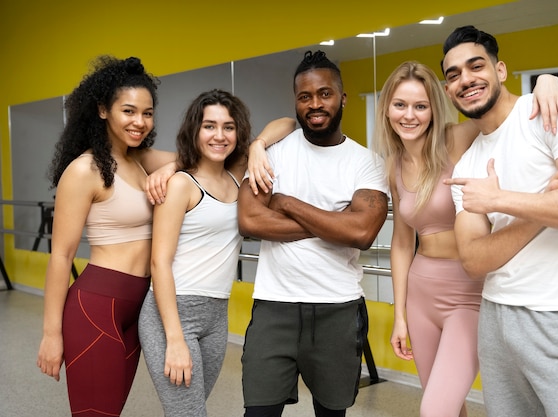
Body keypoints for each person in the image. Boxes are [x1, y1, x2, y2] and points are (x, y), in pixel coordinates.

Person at [35, 55, 293, 417]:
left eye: (147, 113)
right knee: (97, 413)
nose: (139, 122)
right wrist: (51, 333)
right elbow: (60, 256)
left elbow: (202, 159)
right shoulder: (83, 170)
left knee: (115, 408)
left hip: (140, 303)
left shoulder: (141, 159)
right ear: (103, 110)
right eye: (128, 111)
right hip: (98, 304)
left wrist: (255, 146)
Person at [375, 60, 558, 417]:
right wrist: (400, 315)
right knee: (449, 406)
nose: (409, 115)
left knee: (434, 410)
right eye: (400, 105)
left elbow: (505, 113)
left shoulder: (456, 139)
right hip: (421, 294)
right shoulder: (393, 164)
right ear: (387, 109)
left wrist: (547, 81)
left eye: (420, 106)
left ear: (434, 109)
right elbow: (401, 240)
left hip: (469, 293)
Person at [442, 25, 558, 417]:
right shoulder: (469, 163)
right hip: (496, 317)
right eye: (453, 75)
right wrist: (544, 203)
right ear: (448, 89)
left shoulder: (550, 113)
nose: (466, 80)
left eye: (476, 66)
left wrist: (501, 200)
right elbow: (473, 260)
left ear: (500, 70)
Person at [237, 50, 389, 417]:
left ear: (342, 98)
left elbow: (362, 231)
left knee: (331, 414)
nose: (315, 104)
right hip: (274, 307)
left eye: (325, 93)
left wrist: (286, 202)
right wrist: (334, 223)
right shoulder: (272, 153)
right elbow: (251, 222)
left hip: (338, 309)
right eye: (305, 97)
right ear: (295, 102)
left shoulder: (366, 162)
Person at [137, 89, 294, 417]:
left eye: (228, 127)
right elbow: (159, 263)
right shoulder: (181, 184)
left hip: (215, 314)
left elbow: (289, 123)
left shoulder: (238, 176)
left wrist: (257, 145)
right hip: (172, 314)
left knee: (188, 410)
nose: (219, 135)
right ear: (195, 130)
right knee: (190, 414)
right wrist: (175, 339)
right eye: (209, 126)